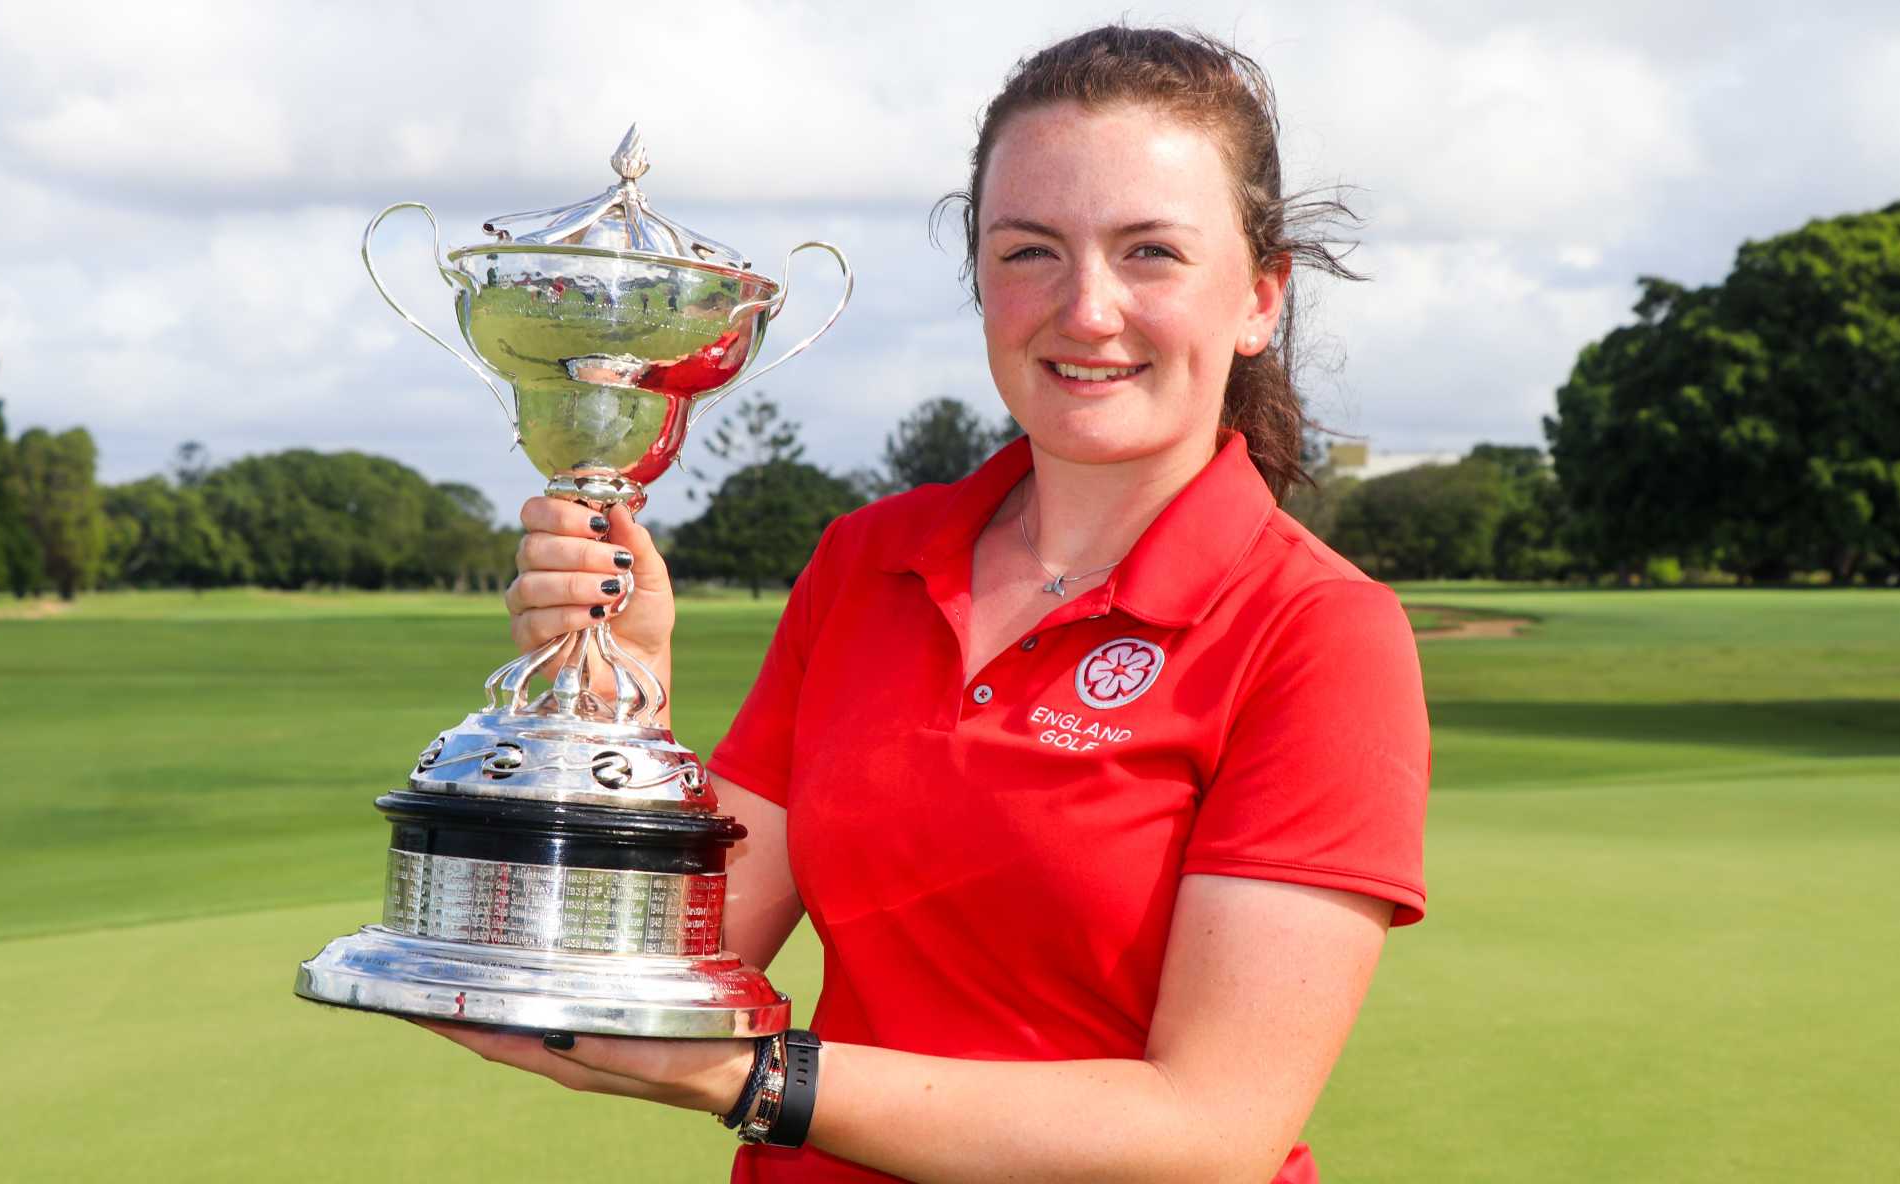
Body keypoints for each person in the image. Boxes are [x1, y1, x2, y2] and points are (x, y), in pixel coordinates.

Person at [421, 25, 1429, 1184]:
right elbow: (680, 961)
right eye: (1028, 251)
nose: (1085, 308)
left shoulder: (1316, 631)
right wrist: (622, 697)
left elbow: (1208, 1131)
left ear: (1257, 296)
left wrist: (756, 1078)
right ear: (979, 279)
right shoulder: (869, 559)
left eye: (1149, 251)